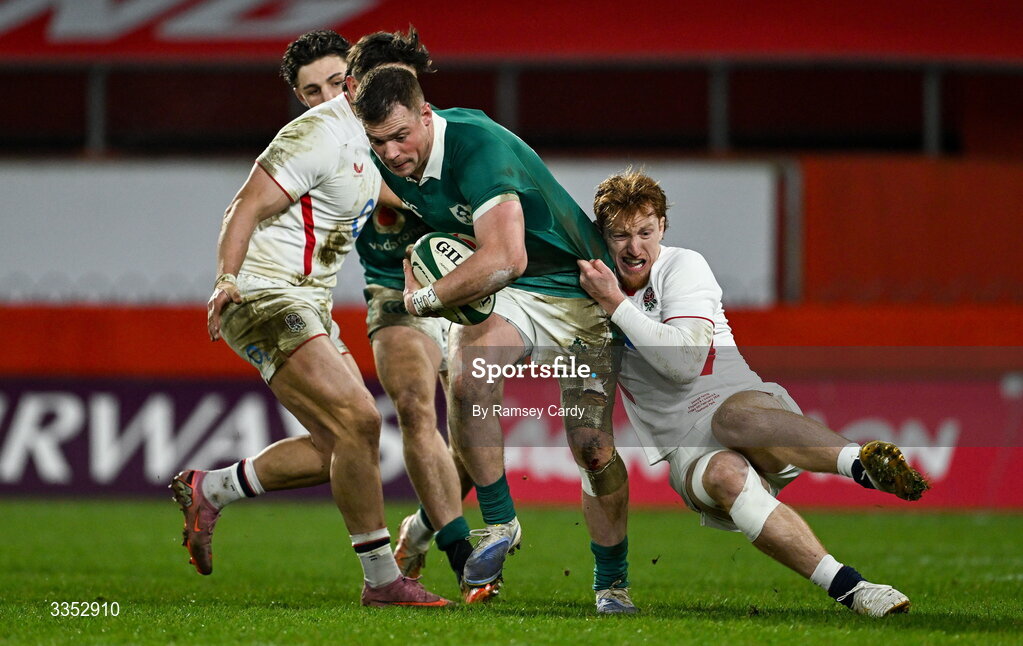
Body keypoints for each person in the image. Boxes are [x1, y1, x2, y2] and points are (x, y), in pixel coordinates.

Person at [169, 29, 449, 608]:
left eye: (336, 81)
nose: (327, 95)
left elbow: (419, 207)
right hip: (268, 296)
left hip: (308, 305)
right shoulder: (316, 133)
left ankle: (212, 488)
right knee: (361, 422)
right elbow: (244, 205)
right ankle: (382, 582)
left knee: (340, 446)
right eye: (312, 88)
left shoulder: (370, 143)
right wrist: (226, 279)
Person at [576, 169, 930, 617]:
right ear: (601, 235)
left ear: (662, 227)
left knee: (730, 419)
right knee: (726, 476)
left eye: (645, 232)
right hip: (687, 449)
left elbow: (684, 364)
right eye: (620, 235)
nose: (634, 248)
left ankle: (864, 465)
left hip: (748, 410)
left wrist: (615, 305)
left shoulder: (682, 267)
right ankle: (855, 590)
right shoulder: (590, 293)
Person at [352, 67, 636, 613]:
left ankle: (612, 583)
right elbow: (460, 240)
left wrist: (422, 301)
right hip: (517, 294)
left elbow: (506, 255)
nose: (391, 150)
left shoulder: (473, 145)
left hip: (579, 293)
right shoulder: (400, 164)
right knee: (467, 376)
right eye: (379, 141)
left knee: (592, 449)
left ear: (425, 113)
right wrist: (420, 259)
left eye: (400, 134)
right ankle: (500, 526)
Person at [346, 27, 477, 590]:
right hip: (395, 295)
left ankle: (419, 530)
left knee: (475, 441)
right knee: (416, 407)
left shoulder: (445, 135)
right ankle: (464, 558)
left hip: (459, 291)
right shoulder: (358, 150)